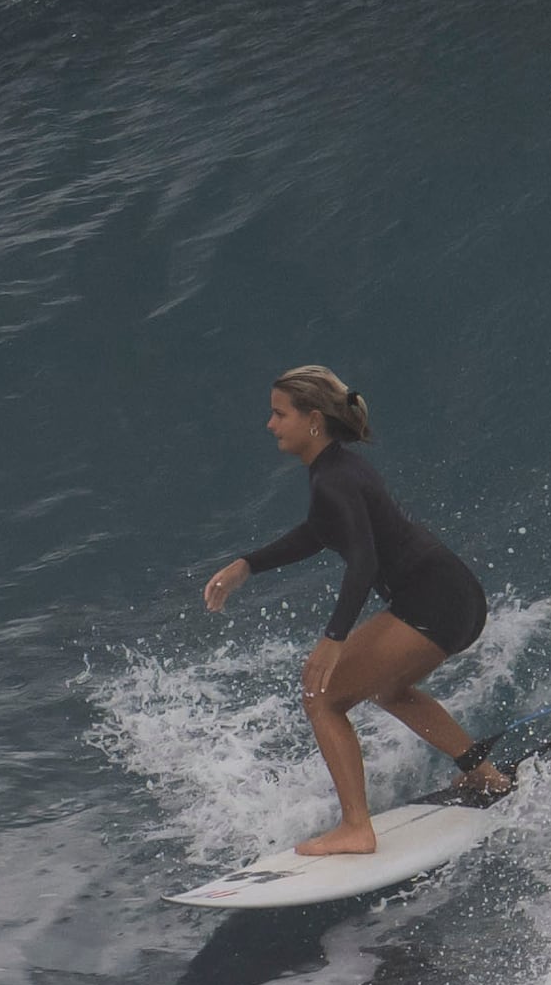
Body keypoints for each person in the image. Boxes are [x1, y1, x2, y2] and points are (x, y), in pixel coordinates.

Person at [201, 364, 510, 856]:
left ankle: (355, 828)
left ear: (314, 421)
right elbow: (320, 532)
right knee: (391, 690)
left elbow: (362, 562)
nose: (270, 424)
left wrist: (334, 637)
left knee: (320, 696)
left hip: (433, 599)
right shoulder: (337, 470)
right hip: (453, 596)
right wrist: (247, 566)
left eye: (279, 414)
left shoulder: (334, 480)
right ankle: (485, 776)